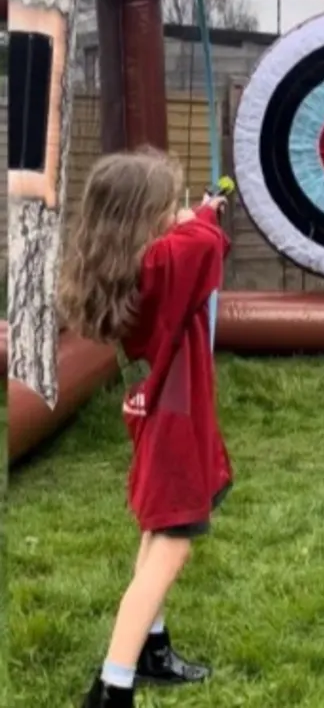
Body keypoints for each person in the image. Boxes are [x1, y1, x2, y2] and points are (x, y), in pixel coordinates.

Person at [59, 147, 233, 708]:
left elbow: (187, 244)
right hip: (172, 424)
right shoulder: (160, 267)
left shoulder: (130, 267)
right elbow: (204, 244)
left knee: (156, 531)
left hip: (157, 414)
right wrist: (203, 215)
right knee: (173, 544)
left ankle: (152, 649)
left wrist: (189, 212)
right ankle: (112, 686)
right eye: (168, 205)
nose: (178, 213)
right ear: (145, 218)